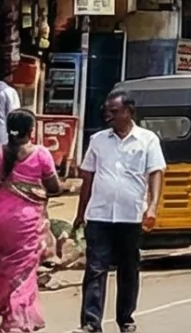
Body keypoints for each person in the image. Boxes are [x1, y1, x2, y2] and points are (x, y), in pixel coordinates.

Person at [78, 92, 165, 333]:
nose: (109, 115)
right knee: (95, 269)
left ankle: (126, 319)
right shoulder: (97, 140)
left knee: (129, 269)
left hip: (130, 215)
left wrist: (153, 207)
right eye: (107, 110)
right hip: (99, 215)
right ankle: (90, 322)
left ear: (128, 112)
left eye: (114, 111)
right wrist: (80, 212)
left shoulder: (147, 140)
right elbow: (87, 177)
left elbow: (156, 173)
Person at [0, 109, 60, 333]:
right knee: (22, 272)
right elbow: (55, 188)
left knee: (3, 267)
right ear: (31, 130)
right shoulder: (41, 154)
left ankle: (9, 315)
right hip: (25, 222)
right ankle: (16, 321)